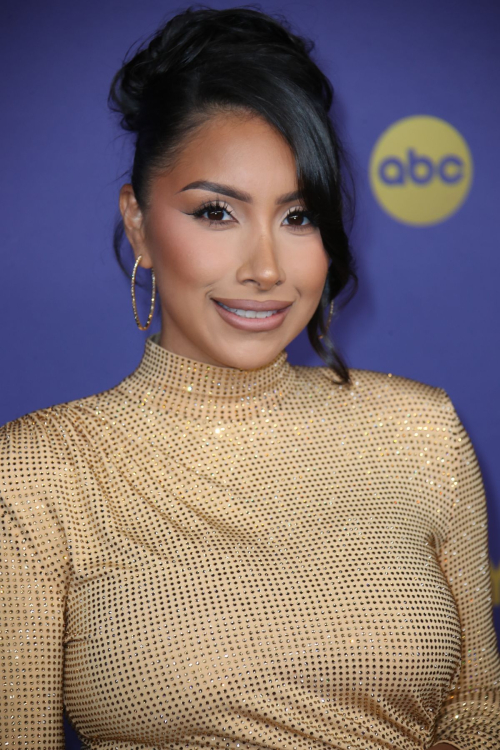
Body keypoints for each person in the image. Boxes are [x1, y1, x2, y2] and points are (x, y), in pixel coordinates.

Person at [1, 4, 498, 749]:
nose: (266, 268)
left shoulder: (420, 433)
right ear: (137, 221)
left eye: (299, 218)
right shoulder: (43, 470)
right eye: (216, 213)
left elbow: (477, 709)